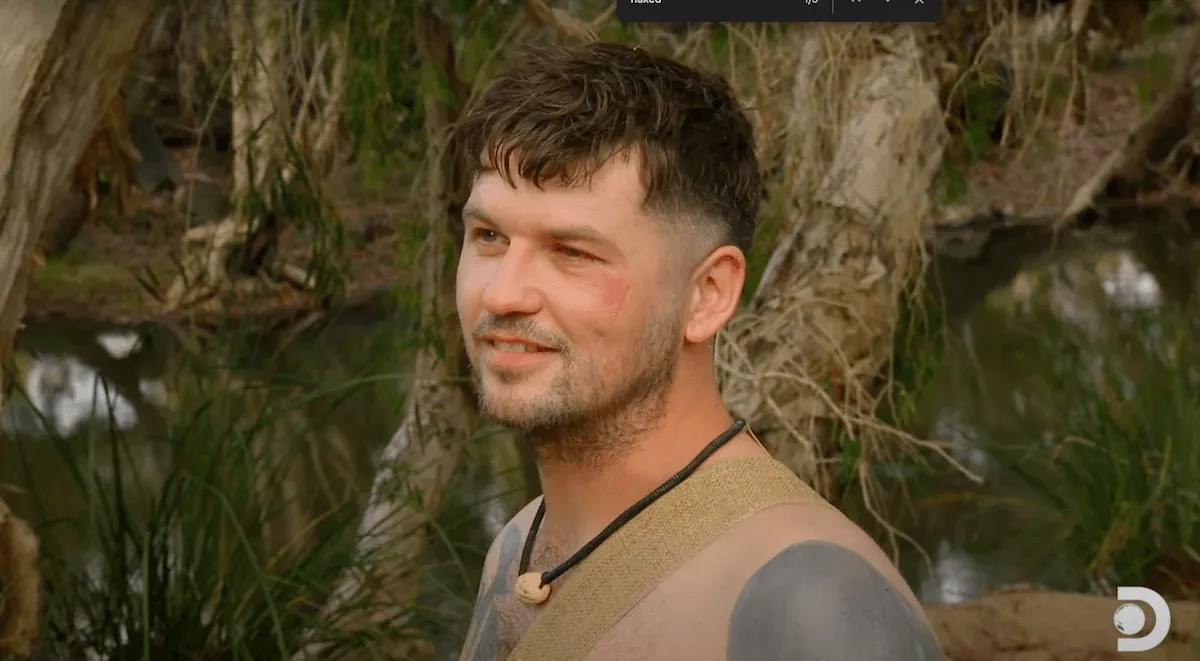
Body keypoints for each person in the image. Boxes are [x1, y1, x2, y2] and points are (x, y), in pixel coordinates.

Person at [452, 41, 944, 661]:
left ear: (707, 294)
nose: (502, 293)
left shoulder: (811, 605)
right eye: (489, 236)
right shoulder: (519, 545)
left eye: (572, 252)